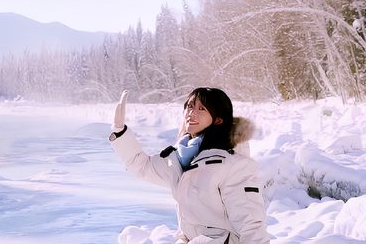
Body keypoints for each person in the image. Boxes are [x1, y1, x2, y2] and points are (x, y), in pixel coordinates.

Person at [109, 87, 269, 244]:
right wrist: (120, 131)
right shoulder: (179, 158)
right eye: (190, 106)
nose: (192, 112)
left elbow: (251, 225)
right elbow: (142, 166)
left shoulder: (234, 166)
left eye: (202, 108)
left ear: (218, 119)